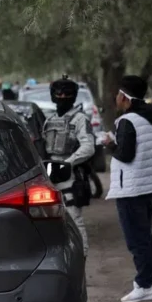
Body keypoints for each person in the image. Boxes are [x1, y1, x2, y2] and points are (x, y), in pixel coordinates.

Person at [103, 76, 152, 302]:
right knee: (144, 237)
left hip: (131, 190)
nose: (116, 98)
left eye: (118, 94)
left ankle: (145, 285)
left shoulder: (127, 121)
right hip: (148, 188)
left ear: (124, 96)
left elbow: (125, 155)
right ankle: (146, 283)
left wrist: (109, 144)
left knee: (137, 240)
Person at [42, 76, 95, 255]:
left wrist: (68, 163)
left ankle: (82, 255)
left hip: (70, 174)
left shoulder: (80, 119)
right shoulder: (49, 120)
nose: (62, 97)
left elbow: (88, 147)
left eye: (66, 94)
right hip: (50, 172)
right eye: (59, 93)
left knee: (73, 217)